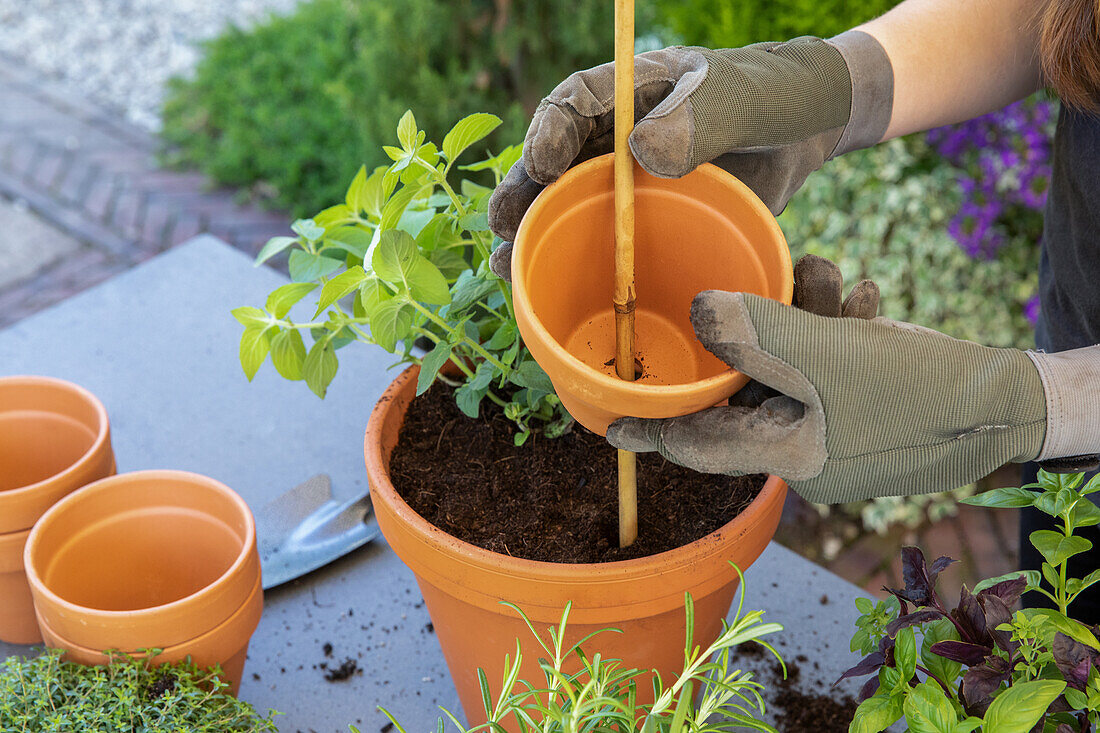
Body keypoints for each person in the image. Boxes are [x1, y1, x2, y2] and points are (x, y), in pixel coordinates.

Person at [486, 0, 1100, 616]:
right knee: (1054, 626)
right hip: (1076, 370)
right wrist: (820, 90)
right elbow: (1052, 17)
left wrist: (1041, 403)